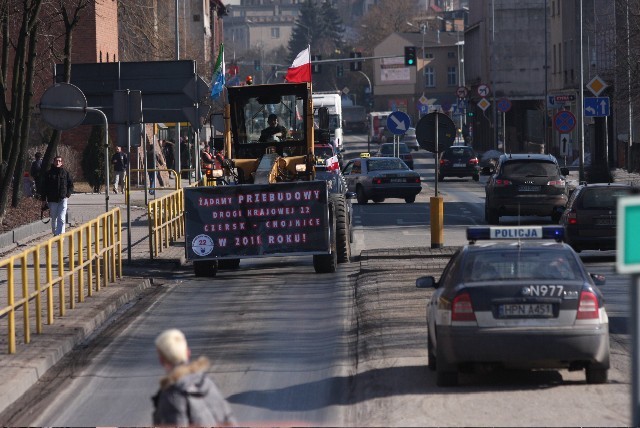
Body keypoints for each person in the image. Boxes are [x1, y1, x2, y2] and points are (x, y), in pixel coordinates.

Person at [152, 329, 237, 427]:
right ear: (188, 353)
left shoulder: (172, 395)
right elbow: (230, 420)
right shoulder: (207, 382)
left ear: (161, 360)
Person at [42, 155, 74, 236]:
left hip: (63, 199)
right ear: (53, 162)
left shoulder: (65, 173)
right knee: (54, 218)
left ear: (62, 162)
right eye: (56, 160)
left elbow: (71, 185)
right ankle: (55, 232)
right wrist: (43, 200)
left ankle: (60, 235)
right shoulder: (49, 174)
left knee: (62, 218)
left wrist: (68, 195)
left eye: (59, 161)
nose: (58, 162)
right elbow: (44, 187)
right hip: (52, 200)